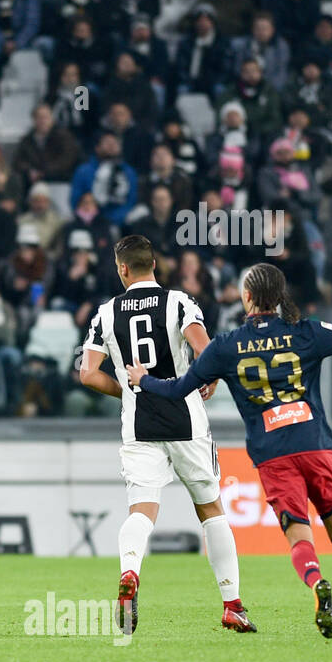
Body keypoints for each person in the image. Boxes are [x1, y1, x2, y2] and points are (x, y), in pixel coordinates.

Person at [127, 261, 332, 642]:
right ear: (279, 298)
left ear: (246, 297)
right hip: (314, 444)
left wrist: (143, 379)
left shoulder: (226, 347)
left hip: (273, 452)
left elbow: (179, 390)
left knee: (299, 537)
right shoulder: (307, 332)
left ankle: (316, 584)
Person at [80, 236, 253, 635]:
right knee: (210, 507)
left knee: (141, 510)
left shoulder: (106, 312)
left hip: (138, 422)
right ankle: (232, 606)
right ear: (154, 264)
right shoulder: (178, 302)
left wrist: (127, 389)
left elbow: (88, 373)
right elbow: (205, 350)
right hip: (185, 417)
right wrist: (203, 378)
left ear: (122, 269)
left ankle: (129, 573)